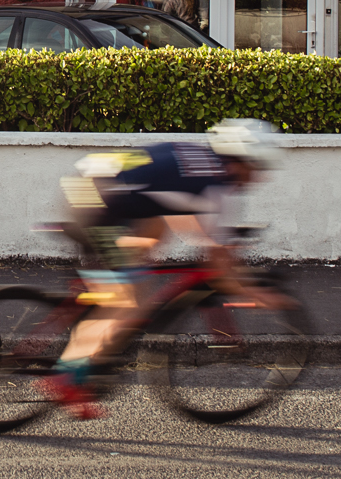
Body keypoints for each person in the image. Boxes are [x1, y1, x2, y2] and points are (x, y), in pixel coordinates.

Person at [39, 118, 286, 419]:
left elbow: (170, 208)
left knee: (145, 245)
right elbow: (218, 264)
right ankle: (66, 377)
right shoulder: (215, 185)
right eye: (257, 168)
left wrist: (144, 254)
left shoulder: (194, 158)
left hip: (88, 188)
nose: (258, 177)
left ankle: (98, 308)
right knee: (130, 303)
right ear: (243, 161)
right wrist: (257, 293)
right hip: (96, 207)